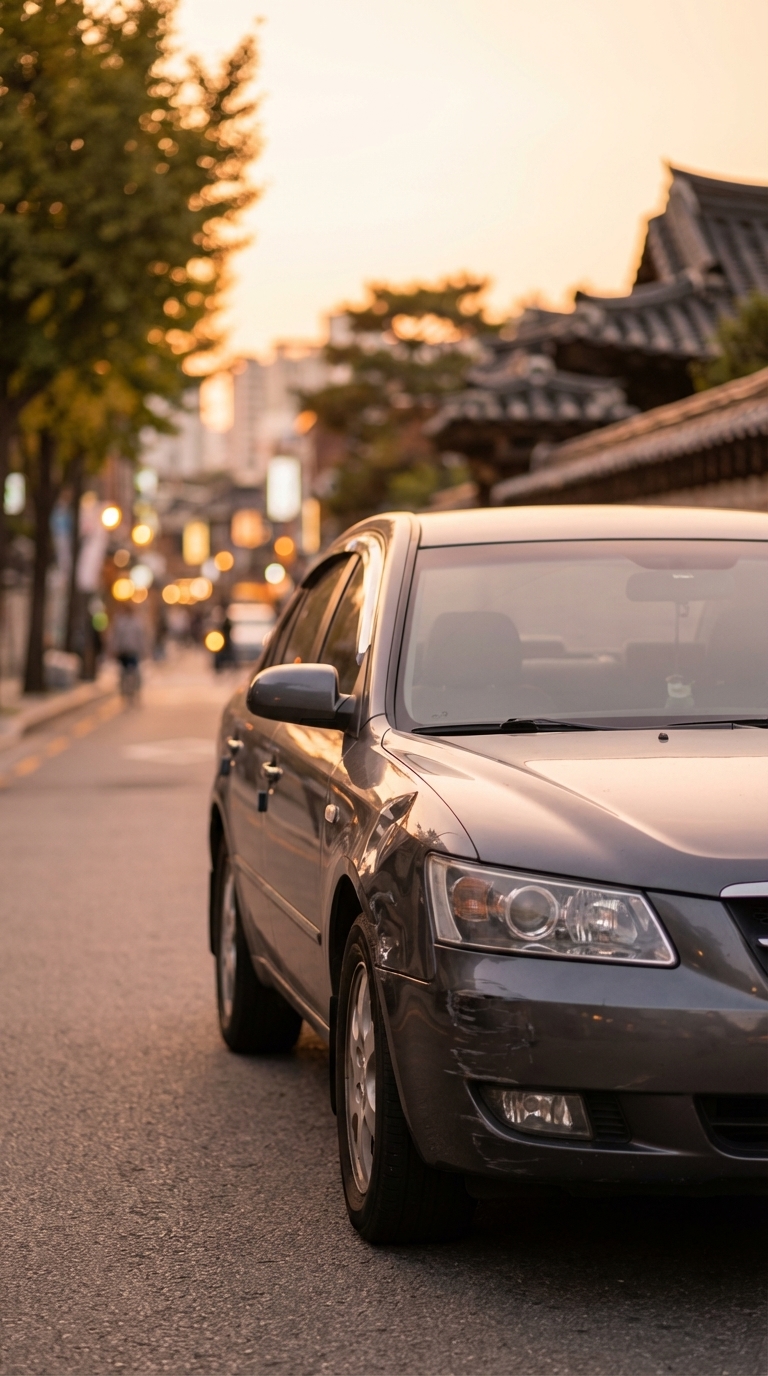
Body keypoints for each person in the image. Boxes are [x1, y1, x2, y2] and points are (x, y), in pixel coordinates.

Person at [110, 603, 146, 705]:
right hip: (123, 652)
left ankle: (135, 692)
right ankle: (124, 693)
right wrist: (114, 649)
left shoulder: (137, 622)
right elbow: (116, 637)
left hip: (133, 651)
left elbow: (141, 638)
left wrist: (143, 650)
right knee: (123, 674)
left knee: (135, 673)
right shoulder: (120, 622)